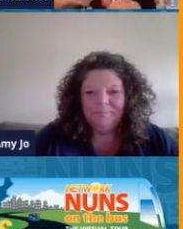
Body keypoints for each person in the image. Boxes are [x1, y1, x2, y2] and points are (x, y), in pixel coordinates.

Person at [35, 51, 177, 156]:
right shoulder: (50, 140)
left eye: (114, 92)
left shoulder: (157, 141)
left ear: (129, 97)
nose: (102, 101)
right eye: (90, 92)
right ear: (78, 99)